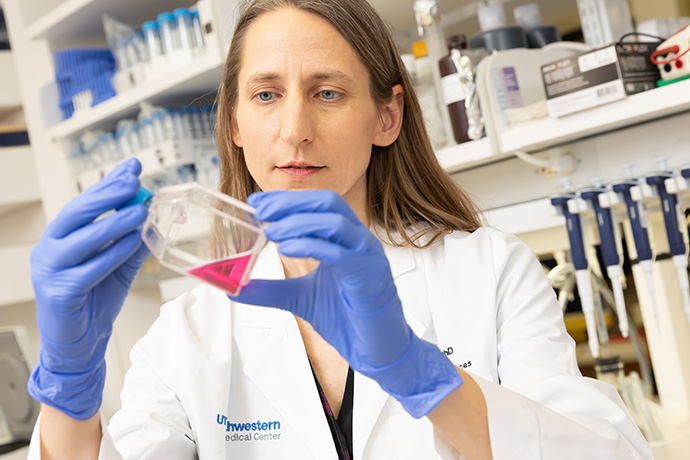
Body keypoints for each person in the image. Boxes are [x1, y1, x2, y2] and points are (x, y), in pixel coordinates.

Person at [26, 0, 653, 459]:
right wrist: (67, 393)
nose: (295, 128)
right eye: (266, 95)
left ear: (386, 116)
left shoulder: (488, 271)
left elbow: (609, 454)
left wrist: (417, 373)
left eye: (327, 93)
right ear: (235, 125)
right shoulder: (188, 334)